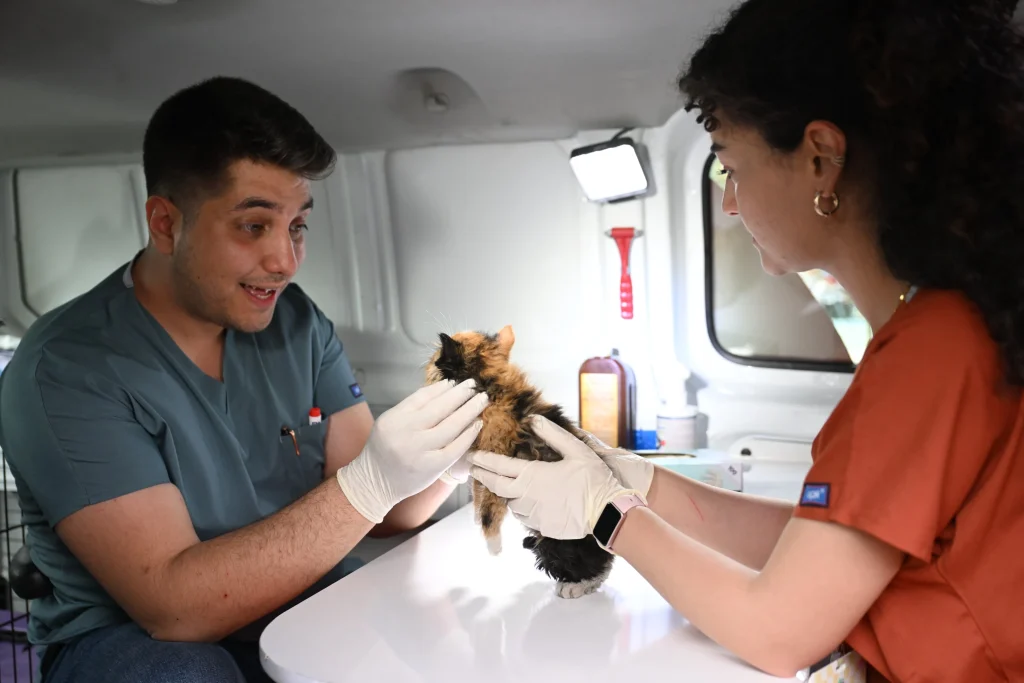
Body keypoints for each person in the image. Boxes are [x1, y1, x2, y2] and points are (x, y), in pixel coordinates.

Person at [469, 1, 1024, 681]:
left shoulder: (932, 350)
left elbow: (777, 632)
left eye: (731, 167)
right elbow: (813, 552)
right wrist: (634, 480)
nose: (729, 202)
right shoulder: (949, 326)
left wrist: (606, 515)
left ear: (820, 158)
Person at [0, 76, 487, 683]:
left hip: (284, 596)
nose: (285, 261)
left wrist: (449, 461)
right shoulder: (68, 367)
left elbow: (380, 511)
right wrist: (368, 485)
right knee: (186, 674)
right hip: (132, 639)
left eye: (297, 226)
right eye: (254, 226)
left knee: (411, 631)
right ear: (165, 223)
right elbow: (173, 609)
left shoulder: (297, 324)